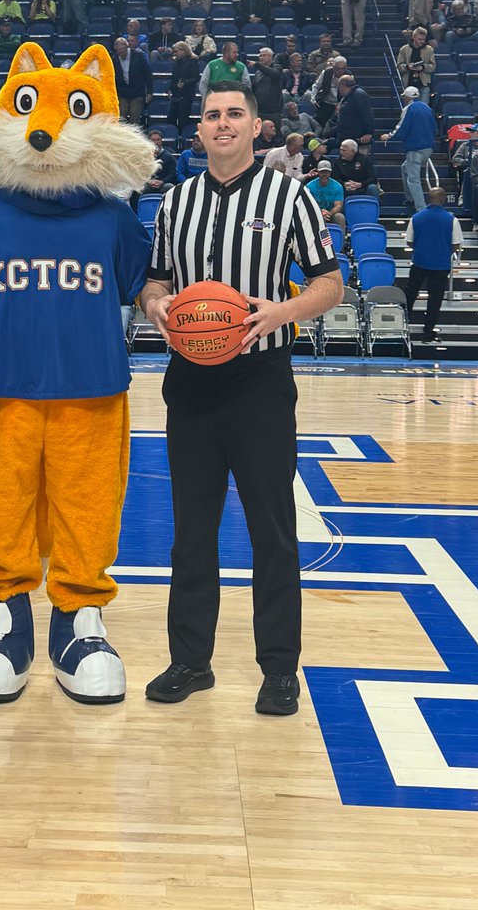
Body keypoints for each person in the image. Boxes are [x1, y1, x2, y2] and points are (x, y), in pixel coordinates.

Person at [141, 81, 342, 712]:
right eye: (211, 115)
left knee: (272, 529)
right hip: (191, 383)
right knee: (192, 532)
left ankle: (280, 669)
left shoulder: (290, 196)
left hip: (260, 380)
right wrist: (158, 308)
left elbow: (330, 284)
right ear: (197, 130)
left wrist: (281, 310)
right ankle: (189, 661)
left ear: (257, 127)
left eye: (235, 114)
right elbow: (153, 283)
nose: (222, 124)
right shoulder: (176, 202)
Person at [404, 188, 462, 343]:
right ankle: (428, 333)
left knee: (410, 294)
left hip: (419, 262)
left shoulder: (416, 217)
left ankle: (404, 325)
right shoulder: (451, 220)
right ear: (443, 199)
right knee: (435, 299)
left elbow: (409, 241)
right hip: (441, 264)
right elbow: (456, 244)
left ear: (428, 199)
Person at [380, 86, 436, 213]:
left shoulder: (408, 109)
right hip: (428, 148)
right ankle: (410, 198)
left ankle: (421, 208)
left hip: (415, 148)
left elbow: (401, 128)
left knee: (414, 180)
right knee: (405, 168)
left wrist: (388, 137)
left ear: (408, 97)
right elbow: (434, 128)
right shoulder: (427, 108)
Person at [112, 36, 152, 124]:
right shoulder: (114, 59)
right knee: (121, 118)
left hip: (137, 91)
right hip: (122, 92)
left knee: (135, 118)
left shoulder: (139, 55)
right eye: (118, 51)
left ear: (127, 47)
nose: (121, 53)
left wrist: (149, 91)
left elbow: (147, 73)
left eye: (122, 50)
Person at [305, 160, 348, 232]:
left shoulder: (337, 186)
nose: (324, 174)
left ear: (330, 173)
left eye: (326, 172)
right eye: (322, 172)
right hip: (315, 214)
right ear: (318, 172)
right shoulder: (309, 186)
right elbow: (308, 205)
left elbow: (338, 205)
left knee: (340, 217)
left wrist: (329, 214)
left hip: (331, 214)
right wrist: (320, 214)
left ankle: (341, 242)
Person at [396, 27, 436, 96]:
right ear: (413, 37)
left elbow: (433, 66)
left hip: (424, 83)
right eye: (420, 39)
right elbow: (399, 66)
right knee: (409, 106)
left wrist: (423, 67)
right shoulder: (404, 49)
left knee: (423, 106)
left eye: (424, 39)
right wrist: (407, 66)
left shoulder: (429, 50)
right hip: (408, 83)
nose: (422, 41)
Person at [168, 41, 199, 131]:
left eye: (176, 51)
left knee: (183, 120)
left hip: (186, 95)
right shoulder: (177, 62)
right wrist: (170, 89)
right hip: (176, 95)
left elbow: (195, 77)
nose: (175, 53)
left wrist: (184, 83)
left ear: (183, 50)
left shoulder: (192, 61)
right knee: (170, 119)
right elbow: (174, 78)